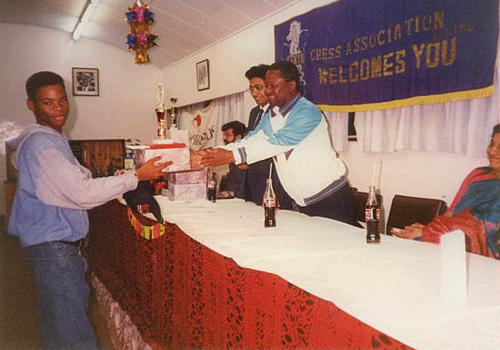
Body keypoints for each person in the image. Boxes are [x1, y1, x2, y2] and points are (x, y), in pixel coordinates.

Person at [7, 71, 170, 349]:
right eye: (47, 102)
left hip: (53, 249)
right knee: (72, 336)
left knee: (59, 330)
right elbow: (81, 193)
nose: (57, 107)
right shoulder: (42, 144)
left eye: (61, 100)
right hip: (55, 253)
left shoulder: (49, 140)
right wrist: (136, 177)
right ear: (31, 105)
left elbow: (72, 187)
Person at [193, 61, 358, 226]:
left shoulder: (306, 112)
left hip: (331, 198)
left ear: (291, 86)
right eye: (266, 86)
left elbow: (278, 142)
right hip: (304, 202)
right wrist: (211, 153)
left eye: (272, 86)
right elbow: (251, 139)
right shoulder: (271, 115)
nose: (267, 90)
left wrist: (232, 155)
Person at [394, 124, 500, 259]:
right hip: (449, 241)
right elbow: (450, 214)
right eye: (492, 144)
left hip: (485, 259)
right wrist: (429, 229)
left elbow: (480, 229)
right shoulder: (477, 176)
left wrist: (428, 232)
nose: (492, 151)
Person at [244, 64, 294, 209]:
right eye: (251, 88)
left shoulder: (281, 111)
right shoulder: (254, 113)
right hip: (255, 178)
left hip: (276, 180)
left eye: (258, 87)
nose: (254, 93)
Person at [219, 120, 247, 198]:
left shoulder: (245, 156)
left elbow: (244, 188)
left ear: (238, 137)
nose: (224, 138)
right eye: (224, 135)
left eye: (227, 135)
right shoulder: (232, 152)